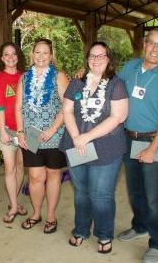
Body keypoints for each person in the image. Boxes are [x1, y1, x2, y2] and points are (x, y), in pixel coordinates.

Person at [117, 28, 158, 263]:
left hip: (154, 139)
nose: (156, 49)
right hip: (128, 137)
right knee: (134, 190)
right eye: (152, 43)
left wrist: (153, 148)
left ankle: (157, 242)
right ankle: (140, 225)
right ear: (144, 44)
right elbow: (113, 90)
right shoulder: (130, 67)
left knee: (154, 196)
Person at [60, 42, 128, 253]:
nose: (96, 59)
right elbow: (67, 111)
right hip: (77, 145)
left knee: (101, 195)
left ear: (109, 59)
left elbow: (119, 116)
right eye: (92, 55)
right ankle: (81, 229)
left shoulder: (116, 84)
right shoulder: (76, 83)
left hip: (106, 147)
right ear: (87, 58)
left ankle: (104, 233)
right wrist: (77, 137)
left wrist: (87, 136)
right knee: (81, 191)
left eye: (101, 56)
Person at [15, 38, 69, 234]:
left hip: (54, 134)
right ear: (32, 54)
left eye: (45, 52)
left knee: (54, 175)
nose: (41, 56)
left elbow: (66, 106)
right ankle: (36, 214)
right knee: (35, 177)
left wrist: (53, 129)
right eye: (37, 52)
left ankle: (51, 216)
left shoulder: (59, 76)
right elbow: (18, 106)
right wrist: (20, 131)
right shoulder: (24, 77)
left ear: (51, 55)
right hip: (31, 135)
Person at [0, 42, 28, 222]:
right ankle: (13, 206)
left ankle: (15, 200)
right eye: (7, 54)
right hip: (7, 130)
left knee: (21, 167)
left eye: (14, 54)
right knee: (10, 169)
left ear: (17, 57)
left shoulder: (25, 76)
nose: (11, 57)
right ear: (2, 58)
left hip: (25, 130)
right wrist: (3, 130)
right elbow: (0, 106)